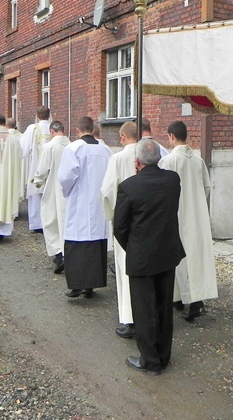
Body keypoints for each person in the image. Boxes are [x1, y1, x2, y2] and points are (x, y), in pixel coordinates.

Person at [113, 139, 185, 376]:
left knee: (144, 310)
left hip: (142, 256)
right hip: (167, 252)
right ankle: (164, 355)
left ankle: (150, 361)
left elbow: (120, 227)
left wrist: (133, 248)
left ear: (137, 161)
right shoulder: (172, 180)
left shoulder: (128, 186)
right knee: (164, 306)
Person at [158, 120, 217, 321]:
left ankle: (192, 302)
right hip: (197, 214)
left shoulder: (168, 161)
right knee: (195, 257)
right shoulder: (198, 160)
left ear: (171, 136)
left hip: (178, 214)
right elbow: (207, 188)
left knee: (179, 258)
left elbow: (162, 190)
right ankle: (184, 298)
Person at [57, 116, 112, 298]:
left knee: (78, 240)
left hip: (80, 201)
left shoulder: (73, 148)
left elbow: (65, 177)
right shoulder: (106, 150)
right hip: (98, 203)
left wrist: (67, 191)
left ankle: (78, 285)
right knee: (96, 241)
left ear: (78, 130)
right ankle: (92, 285)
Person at [100, 121, 138, 338]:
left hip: (124, 221)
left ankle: (129, 319)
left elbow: (107, 191)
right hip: (146, 220)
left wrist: (111, 215)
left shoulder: (118, 158)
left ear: (122, 137)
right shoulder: (147, 153)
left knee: (125, 270)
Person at [31, 120, 70, 272]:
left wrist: (37, 181)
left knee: (51, 220)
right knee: (65, 221)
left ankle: (59, 254)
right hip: (68, 190)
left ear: (52, 132)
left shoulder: (49, 147)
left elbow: (42, 169)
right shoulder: (71, 145)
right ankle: (68, 252)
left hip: (53, 188)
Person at [20, 106, 52, 232]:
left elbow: (23, 148)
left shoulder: (32, 128)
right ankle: (49, 222)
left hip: (36, 165)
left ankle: (36, 223)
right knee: (49, 193)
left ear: (37, 115)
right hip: (51, 166)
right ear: (49, 115)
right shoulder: (54, 127)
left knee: (35, 195)